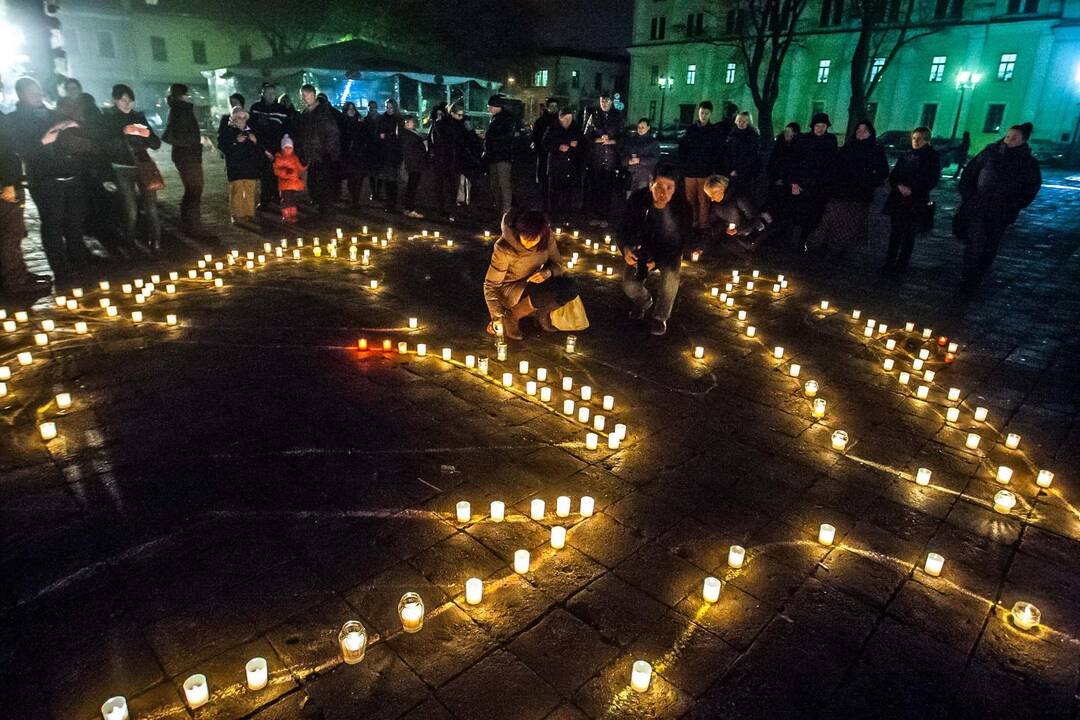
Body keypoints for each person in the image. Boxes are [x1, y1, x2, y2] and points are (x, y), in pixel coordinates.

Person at [955, 122, 1041, 289]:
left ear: (1023, 140)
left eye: (1014, 137)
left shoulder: (1028, 163)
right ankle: (968, 277)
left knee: (990, 244)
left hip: (1001, 211)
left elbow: (1031, 187)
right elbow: (970, 173)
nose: (1009, 140)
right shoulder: (990, 153)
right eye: (1008, 136)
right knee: (975, 242)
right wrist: (969, 196)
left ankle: (978, 274)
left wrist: (1014, 205)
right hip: (979, 206)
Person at [618, 163, 692, 336]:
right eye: (659, 186)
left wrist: (657, 261)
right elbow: (622, 228)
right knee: (629, 285)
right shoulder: (638, 199)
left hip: (668, 251)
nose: (663, 192)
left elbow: (681, 243)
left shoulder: (682, 207)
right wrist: (625, 248)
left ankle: (660, 317)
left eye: (669, 188)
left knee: (671, 275)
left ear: (675, 188)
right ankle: (644, 301)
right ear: (651, 183)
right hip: (642, 249)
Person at [483, 207, 578, 340]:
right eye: (525, 238)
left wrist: (548, 273)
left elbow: (558, 264)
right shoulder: (504, 247)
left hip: (534, 282)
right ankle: (512, 317)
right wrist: (497, 317)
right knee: (546, 291)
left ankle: (542, 313)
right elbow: (491, 284)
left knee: (570, 286)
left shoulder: (547, 238)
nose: (529, 243)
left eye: (534, 239)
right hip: (511, 290)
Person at [805, 119, 888, 254]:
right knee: (831, 219)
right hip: (840, 192)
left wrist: (867, 181)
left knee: (849, 224)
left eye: (864, 131)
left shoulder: (875, 150)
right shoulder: (848, 147)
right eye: (858, 130)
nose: (861, 133)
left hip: (858, 195)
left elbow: (882, 172)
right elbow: (836, 166)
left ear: (870, 133)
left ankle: (839, 250)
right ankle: (822, 246)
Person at [0, 76, 51, 292]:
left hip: (9, 181)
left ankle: (16, 273)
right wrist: (8, 183)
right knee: (12, 232)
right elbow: (3, 151)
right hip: (6, 184)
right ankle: (15, 278)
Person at [101, 84, 162, 254]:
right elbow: (104, 147)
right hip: (121, 168)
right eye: (123, 100)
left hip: (143, 165)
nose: (127, 104)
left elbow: (156, 144)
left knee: (151, 207)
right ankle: (130, 241)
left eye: (130, 100)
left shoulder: (138, 117)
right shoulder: (108, 118)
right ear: (115, 100)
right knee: (131, 209)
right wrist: (123, 132)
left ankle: (156, 242)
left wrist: (147, 134)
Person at [882, 126, 940, 274]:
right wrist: (898, 186)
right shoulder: (907, 155)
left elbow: (931, 179)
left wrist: (913, 189)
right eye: (914, 138)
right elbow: (894, 175)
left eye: (919, 138)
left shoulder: (931, 157)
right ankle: (889, 261)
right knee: (895, 233)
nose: (915, 141)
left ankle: (901, 264)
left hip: (916, 201)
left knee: (908, 234)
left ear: (926, 140)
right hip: (899, 199)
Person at [162, 83, 209, 238]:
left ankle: (188, 222)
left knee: (192, 189)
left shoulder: (178, 108)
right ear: (183, 95)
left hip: (187, 155)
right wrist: (191, 143)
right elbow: (168, 135)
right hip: (187, 156)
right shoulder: (180, 109)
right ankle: (193, 225)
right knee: (195, 189)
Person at [786, 112, 838, 248]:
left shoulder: (830, 140)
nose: (820, 129)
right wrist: (794, 182)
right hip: (801, 185)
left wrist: (827, 185)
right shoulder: (804, 140)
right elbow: (793, 162)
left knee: (813, 217)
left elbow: (832, 164)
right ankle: (788, 240)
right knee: (795, 213)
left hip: (819, 187)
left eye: (823, 126)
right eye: (817, 126)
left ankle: (803, 241)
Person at [297, 84, 341, 218]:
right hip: (312, 155)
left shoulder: (323, 112)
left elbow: (333, 133)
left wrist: (329, 152)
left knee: (324, 184)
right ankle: (321, 207)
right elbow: (303, 134)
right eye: (303, 96)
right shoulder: (305, 113)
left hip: (323, 155)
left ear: (313, 95)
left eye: (307, 95)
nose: (305, 98)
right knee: (314, 184)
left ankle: (326, 211)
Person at [678, 101, 723, 230]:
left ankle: (703, 225)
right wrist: (684, 164)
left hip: (704, 171)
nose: (703, 115)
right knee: (690, 199)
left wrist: (712, 168)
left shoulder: (713, 131)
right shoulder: (691, 129)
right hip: (690, 171)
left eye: (706, 113)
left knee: (703, 200)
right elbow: (683, 148)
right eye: (702, 112)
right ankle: (693, 221)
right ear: (698, 113)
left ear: (710, 114)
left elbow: (716, 152)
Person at [583, 91, 623, 227]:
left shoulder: (617, 116)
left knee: (608, 189)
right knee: (595, 188)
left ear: (611, 102)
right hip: (596, 157)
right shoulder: (593, 115)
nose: (604, 104)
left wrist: (612, 141)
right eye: (602, 101)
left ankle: (605, 216)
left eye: (606, 101)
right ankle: (595, 215)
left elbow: (622, 136)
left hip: (610, 158)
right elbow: (586, 135)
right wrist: (598, 139)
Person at [219, 106, 263, 223]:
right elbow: (222, 146)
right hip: (235, 167)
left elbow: (259, 149)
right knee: (237, 190)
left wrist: (255, 141)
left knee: (250, 190)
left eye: (244, 117)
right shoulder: (227, 131)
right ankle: (236, 214)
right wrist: (235, 141)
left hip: (250, 166)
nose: (242, 120)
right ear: (233, 119)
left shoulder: (251, 131)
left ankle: (249, 213)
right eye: (239, 117)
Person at [249, 82, 288, 208]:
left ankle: (277, 196)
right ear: (263, 94)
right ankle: (265, 199)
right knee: (264, 175)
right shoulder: (256, 108)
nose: (271, 96)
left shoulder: (281, 109)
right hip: (261, 147)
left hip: (276, 147)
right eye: (268, 93)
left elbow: (284, 129)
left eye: (273, 93)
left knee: (277, 174)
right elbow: (252, 128)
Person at [720, 110, 762, 217]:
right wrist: (729, 169)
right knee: (729, 196)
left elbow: (752, 157)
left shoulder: (752, 136)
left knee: (743, 198)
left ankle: (749, 220)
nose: (741, 123)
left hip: (745, 174)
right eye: (739, 120)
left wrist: (738, 170)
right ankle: (732, 219)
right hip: (730, 172)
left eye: (744, 121)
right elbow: (726, 153)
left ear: (748, 122)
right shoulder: (731, 133)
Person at [430, 102, 467, 221]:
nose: (461, 117)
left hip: (450, 160)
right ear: (452, 113)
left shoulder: (454, 124)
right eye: (459, 115)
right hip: (444, 159)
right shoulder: (443, 125)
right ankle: (445, 210)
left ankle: (448, 210)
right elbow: (449, 141)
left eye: (462, 115)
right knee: (445, 187)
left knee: (450, 187)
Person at [544, 108, 582, 221]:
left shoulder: (575, 128)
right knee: (554, 192)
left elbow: (582, 144)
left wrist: (576, 146)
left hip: (570, 166)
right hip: (556, 165)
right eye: (566, 118)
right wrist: (558, 147)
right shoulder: (552, 128)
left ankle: (566, 216)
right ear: (560, 118)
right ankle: (553, 216)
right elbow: (545, 144)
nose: (568, 121)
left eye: (570, 118)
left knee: (568, 193)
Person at [483, 94, 516, 216]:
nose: (489, 109)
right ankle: (500, 207)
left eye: (490, 107)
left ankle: (505, 212)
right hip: (494, 156)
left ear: (497, 107)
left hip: (502, 156)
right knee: (495, 184)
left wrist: (489, 138)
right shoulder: (496, 119)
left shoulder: (506, 119)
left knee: (503, 184)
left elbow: (505, 137)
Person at [762, 122, 800, 227]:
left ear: (795, 134)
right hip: (775, 181)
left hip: (787, 184)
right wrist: (774, 177)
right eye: (786, 131)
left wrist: (786, 179)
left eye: (790, 132)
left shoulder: (797, 148)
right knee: (771, 206)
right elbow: (772, 163)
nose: (787, 134)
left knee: (783, 209)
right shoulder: (778, 145)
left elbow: (795, 167)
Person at [376, 98, 403, 213]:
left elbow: (399, 136)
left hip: (394, 153)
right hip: (385, 153)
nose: (389, 109)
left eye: (391, 107)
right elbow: (379, 134)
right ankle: (389, 202)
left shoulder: (398, 119)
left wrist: (387, 136)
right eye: (387, 107)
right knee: (388, 180)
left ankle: (393, 202)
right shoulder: (382, 118)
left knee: (393, 180)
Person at [621, 117, 660, 195]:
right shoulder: (631, 140)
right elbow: (624, 154)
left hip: (644, 175)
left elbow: (655, 159)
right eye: (639, 127)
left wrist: (640, 160)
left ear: (648, 127)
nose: (640, 129)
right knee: (629, 196)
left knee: (641, 196)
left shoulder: (652, 142)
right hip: (631, 174)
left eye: (642, 127)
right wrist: (628, 161)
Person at [399, 115, 428, 218]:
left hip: (416, 162)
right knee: (412, 186)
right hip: (413, 163)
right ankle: (410, 209)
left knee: (412, 186)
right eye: (410, 121)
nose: (412, 123)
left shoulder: (411, 133)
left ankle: (408, 208)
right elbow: (410, 149)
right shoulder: (407, 135)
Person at [273, 135, 305, 223]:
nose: (288, 149)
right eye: (286, 147)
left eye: (290, 147)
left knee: (293, 200)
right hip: (285, 184)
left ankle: (293, 215)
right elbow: (276, 170)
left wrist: (304, 164)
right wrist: (285, 171)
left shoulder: (295, 157)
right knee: (286, 201)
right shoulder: (279, 158)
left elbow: (300, 168)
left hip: (294, 184)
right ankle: (286, 215)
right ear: (283, 148)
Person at [532, 98, 559, 193]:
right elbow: (535, 137)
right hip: (544, 152)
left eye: (556, 106)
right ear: (547, 107)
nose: (554, 108)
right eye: (552, 106)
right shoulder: (540, 121)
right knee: (544, 177)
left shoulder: (560, 120)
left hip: (557, 153)